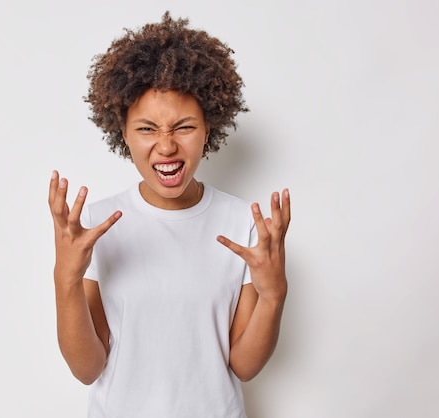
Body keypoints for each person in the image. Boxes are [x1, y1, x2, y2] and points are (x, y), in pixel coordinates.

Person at [48, 11, 291, 418]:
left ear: (208, 130)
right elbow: (87, 369)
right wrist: (66, 278)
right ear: (122, 133)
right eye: (146, 129)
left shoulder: (242, 224)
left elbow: (244, 366)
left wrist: (273, 294)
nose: (165, 146)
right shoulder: (96, 224)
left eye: (184, 127)